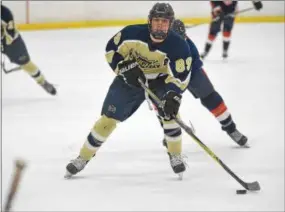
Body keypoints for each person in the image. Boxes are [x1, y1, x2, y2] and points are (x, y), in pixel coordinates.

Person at [65, 3, 195, 179]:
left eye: (164, 22)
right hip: (130, 81)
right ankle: (83, 157)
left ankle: (175, 155)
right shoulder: (131, 34)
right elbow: (111, 50)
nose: (159, 25)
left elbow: (180, 77)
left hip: (160, 82)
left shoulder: (179, 46)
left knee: (170, 115)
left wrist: (173, 95)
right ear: (149, 21)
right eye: (156, 21)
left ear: (170, 24)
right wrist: (123, 68)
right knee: (107, 120)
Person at [162, 19, 248, 148]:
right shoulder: (158, 45)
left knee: (210, 97)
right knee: (164, 104)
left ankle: (230, 128)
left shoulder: (190, 49)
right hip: (169, 75)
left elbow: (192, 66)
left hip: (192, 72)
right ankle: (171, 133)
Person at [1, 4, 57, 95]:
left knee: (26, 63)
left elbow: (10, 36)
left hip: (10, 43)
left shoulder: (5, 14)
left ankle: (42, 81)